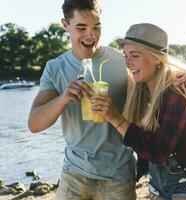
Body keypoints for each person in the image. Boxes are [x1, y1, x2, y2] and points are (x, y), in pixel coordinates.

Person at [90, 23, 186, 200]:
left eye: (135, 56)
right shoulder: (139, 90)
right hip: (156, 182)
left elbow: (158, 151)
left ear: (157, 58)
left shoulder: (177, 91)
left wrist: (116, 119)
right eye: (126, 55)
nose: (128, 63)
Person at [27, 0, 137, 199]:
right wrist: (63, 98)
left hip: (118, 174)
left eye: (97, 27)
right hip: (74, 172)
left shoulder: (122, 62)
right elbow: (34, 124)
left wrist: (183, 77)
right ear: (65, 24)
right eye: (81, 27)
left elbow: (157, 77)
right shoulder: (55, 68)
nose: (91, 35)